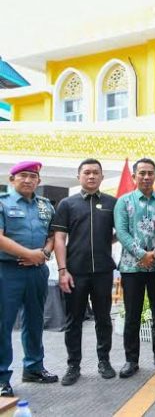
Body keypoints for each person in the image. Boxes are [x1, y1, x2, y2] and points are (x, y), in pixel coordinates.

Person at [52, 158, 117, 385]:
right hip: (75, 272)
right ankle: (73, 365)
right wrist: (62, 270)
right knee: (74, 320)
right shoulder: (67, 204)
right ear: (79, 176)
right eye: (87, 172)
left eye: (95, 173)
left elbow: (121, 231)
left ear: (101, 176)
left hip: (102, 270)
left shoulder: (112, 202)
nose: (91, 176)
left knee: (103, 319)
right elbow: (59, 238)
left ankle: (104, 361)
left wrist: (105, 242)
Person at [0, 161, 58, 397]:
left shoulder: (46, 206)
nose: (28, 180)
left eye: (32, 176)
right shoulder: (3, 203)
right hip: (7, 271)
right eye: (22, 175)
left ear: (39, 181)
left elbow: (54, 235)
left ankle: (33, 367)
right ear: (12, 179)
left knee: (35, 320)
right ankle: (2, 378)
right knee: (3, 324)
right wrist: (29, 254)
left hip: (37, 271)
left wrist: (43, 254)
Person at [114, 158, 155, 378]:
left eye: (150, 173)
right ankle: (131, 360)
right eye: (142, 173)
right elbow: (122, 232)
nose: (146, 177)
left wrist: (154, 253)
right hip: (132, 267)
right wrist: (141, 254)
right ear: (134, 176)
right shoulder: (123, 202)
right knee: (133, 315)